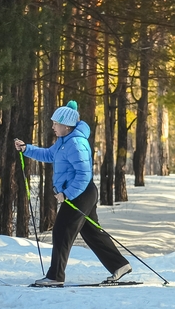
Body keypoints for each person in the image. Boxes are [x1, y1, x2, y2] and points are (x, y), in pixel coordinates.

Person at [14, 100, 131, 286]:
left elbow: (84, 174)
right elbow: (48, 155)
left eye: (55, 123)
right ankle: (120, 265)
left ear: (66, 126)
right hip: (82, 192)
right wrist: (27, 149)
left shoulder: (76, 143)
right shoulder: (63, 142)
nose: (52, 126)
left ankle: (55, 276)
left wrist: (67, 194)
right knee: (92, 232)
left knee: (61, 231)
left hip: (81, 193)